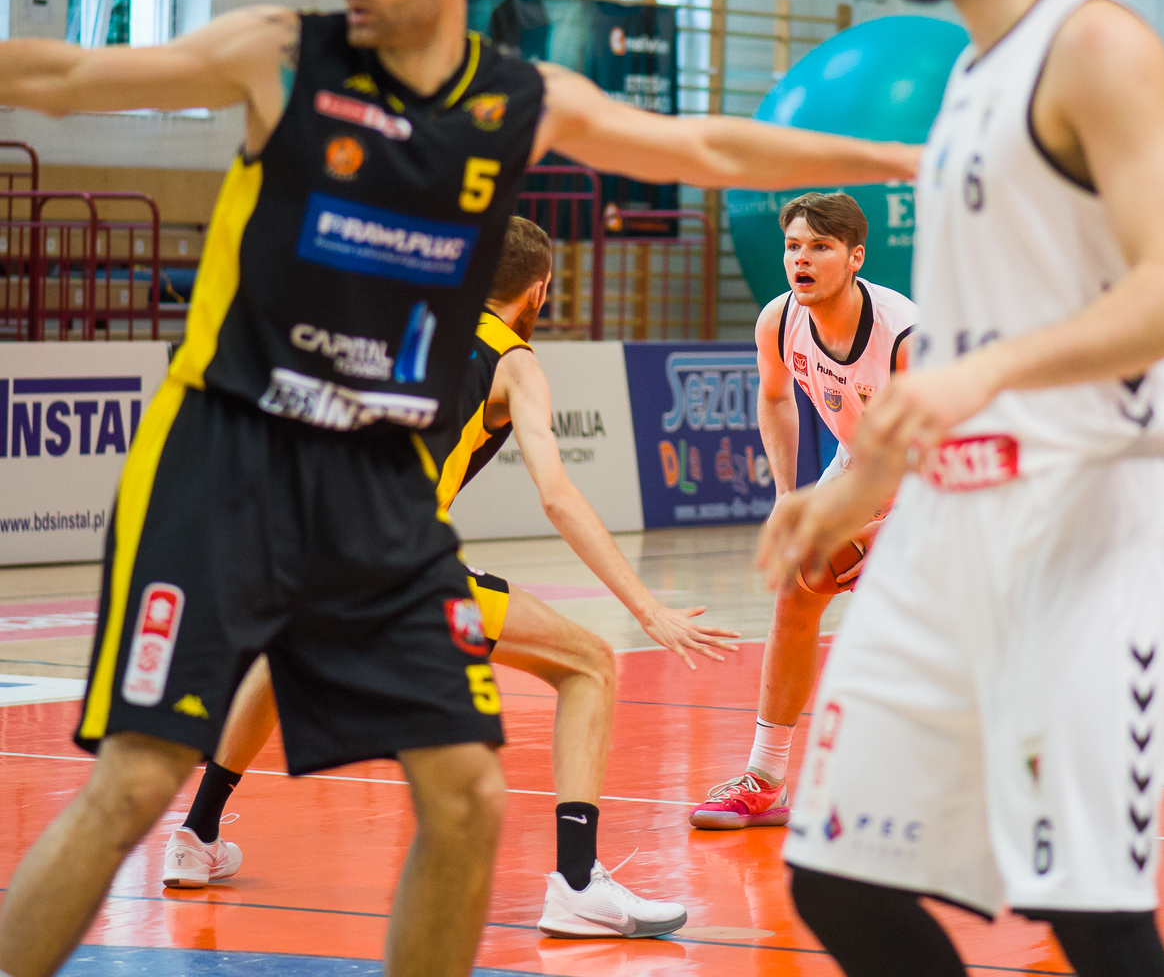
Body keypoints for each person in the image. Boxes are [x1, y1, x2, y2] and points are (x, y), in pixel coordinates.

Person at [0, 0, 918, 973]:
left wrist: (902, 158)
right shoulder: (284, 53)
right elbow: (65, 72)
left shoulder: (521, 100)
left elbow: (706, 147)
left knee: (469, 797)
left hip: (374, 493)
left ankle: (568, 882)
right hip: (229, 452)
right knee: (132, 785)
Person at [757, 0, 1164, 974]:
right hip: (945, 515)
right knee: (837, 879)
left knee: (1089, 913)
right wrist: (857, 483)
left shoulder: (1093, 44)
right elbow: (974, 331)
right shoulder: (970, 75)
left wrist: (986, 372)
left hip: (1082, 512)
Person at [160, 216, 738, 938]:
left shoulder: (401, 324)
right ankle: (577, 884)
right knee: (590, 664)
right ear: (539, 291)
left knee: (282, 658)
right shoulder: (515, 363)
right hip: (390, 564)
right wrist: (646, 607)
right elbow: (557, 496)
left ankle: (195, 835)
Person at [689, 193, 917, 830]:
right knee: (798, 584)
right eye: (793, 246)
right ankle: (765, 778)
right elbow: (775, 398)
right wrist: (788, 497)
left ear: (855, 257)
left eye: (820, 247)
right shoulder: (779, 320)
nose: (801, 259)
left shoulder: (904, 335)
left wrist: (865, 524)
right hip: (860, 466)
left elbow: (932, 450)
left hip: (941, 480)